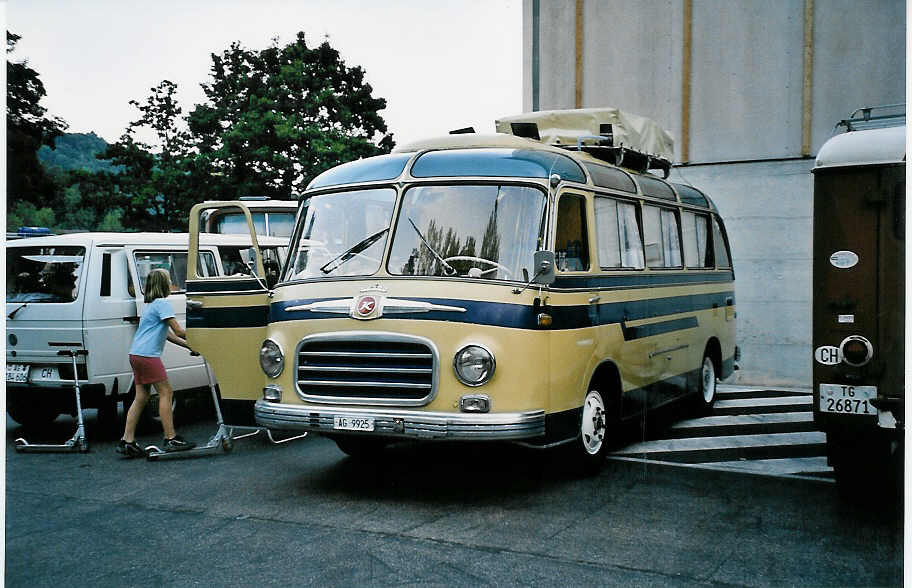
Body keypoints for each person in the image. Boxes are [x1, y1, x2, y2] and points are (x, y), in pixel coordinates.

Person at [117, 268, 196, 457]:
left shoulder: (151, 305)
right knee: (166, 392)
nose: (170, 284)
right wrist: (199, 338)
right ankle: (170, 438)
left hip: (136, 354)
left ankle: (126, 441)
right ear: (163, 284)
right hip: (147, 356)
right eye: (168, 280)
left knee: (141, 397)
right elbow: (178, 331)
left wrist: (189, 346)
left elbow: (167, 335)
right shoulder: (163, 304)